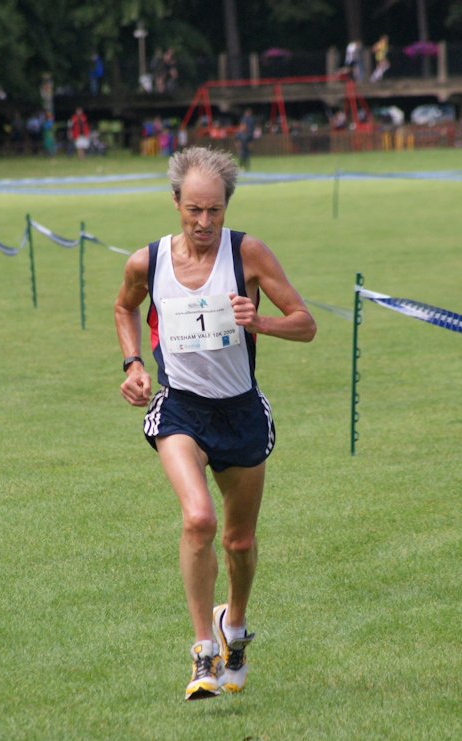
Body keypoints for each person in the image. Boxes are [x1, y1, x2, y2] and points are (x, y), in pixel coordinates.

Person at [114, 146, 316, 701]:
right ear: (176, 202)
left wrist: (263, 322)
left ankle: (235, 626)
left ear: (227, 207)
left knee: (240, 540)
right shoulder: (147, 262)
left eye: (215, 211)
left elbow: (307, 324)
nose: (204, 223)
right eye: (194, 210)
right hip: (181, 409)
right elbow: (123, 307)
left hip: (242, 412)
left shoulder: (248, 254)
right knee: (198, 519)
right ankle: (203, 650)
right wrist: (134, 364)